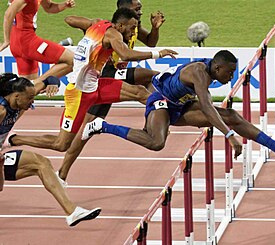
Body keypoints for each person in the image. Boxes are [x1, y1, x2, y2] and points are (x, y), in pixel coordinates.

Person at [6, 8, 177, 171]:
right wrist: (158, 54)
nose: (134, 32)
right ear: (120, 26)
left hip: (96, 85)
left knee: (139, 92)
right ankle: (15, 139)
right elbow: (126, 54)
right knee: (61, 144)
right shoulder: (114, 34)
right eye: (132, 28)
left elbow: (70, 19)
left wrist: (86, 30)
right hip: (79, 93)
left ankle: (159, 124)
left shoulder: (97, 24)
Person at [82, 50, 275, 163]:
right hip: (160, 101)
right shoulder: (200, 73)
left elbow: (207, 105)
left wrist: (227, 126)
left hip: (181, 105)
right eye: (229, 73)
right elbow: (208, 107)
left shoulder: (210, 69)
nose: (231, 78)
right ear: (219, 68)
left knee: (231, 114)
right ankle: (102, 126)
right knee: (156, 142)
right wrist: (230, 135)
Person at [56, 0, 165, 181]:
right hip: (106, 73)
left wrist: (155, 28)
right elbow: (71, 19)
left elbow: (150, 42)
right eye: (137, 8)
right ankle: (62, 172)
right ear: (124, 11)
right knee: (86, 130)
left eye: (140, 8)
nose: (140, 11)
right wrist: (89, 28)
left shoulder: (132, 26)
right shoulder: (112, 30)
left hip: (117, 73)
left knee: (146, 83)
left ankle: (158, 119)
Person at [0, 73, 101, 226]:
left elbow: (50, 79)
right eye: (29, 99)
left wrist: (54, 84)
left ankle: (73, 212)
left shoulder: (23, 92)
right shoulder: (1, 111)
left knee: (42, 163)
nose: (32, 102)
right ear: (16, 97)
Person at [0, 0, 75, 80]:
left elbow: (49, 7)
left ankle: (35, 85)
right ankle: (40, 83)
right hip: (27, 42)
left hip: (18, 43)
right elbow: (8, 14)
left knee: (27, 90)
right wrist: (6, 40)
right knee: (73, 60)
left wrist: (64, 5)